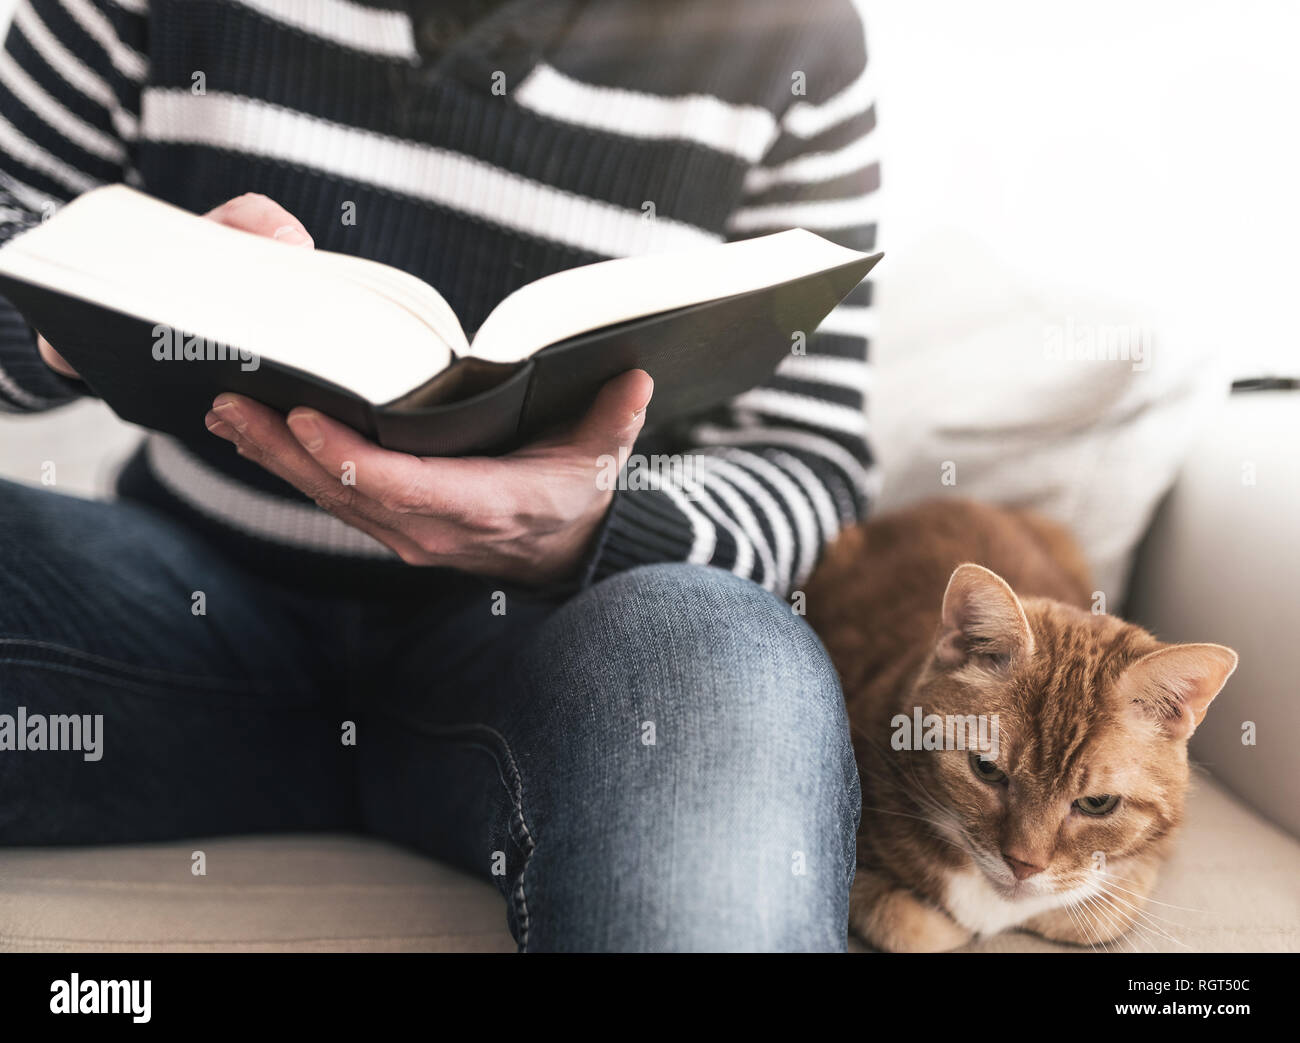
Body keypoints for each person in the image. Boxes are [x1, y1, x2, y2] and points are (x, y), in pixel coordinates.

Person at [0, 0, 878, 951]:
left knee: (725, 664)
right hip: (164, 619)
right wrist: (98, 295)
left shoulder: (793, 36)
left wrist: (583, 531)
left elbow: (808, 465)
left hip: (544, 659)